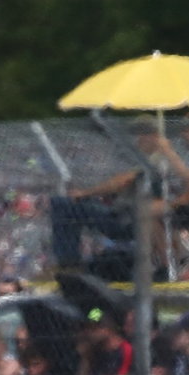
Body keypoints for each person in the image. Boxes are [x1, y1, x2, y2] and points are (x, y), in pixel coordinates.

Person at [49, 116, 165, 275]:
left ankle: (69, 264)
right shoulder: (151, 159)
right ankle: (69, 262)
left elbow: (121, 182)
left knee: (62, 204)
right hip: (127, 214)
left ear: (154, 136)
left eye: (141, 134)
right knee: (70, 206)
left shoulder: (157, 160)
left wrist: (84, 193)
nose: (137, 139)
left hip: (127, 220)